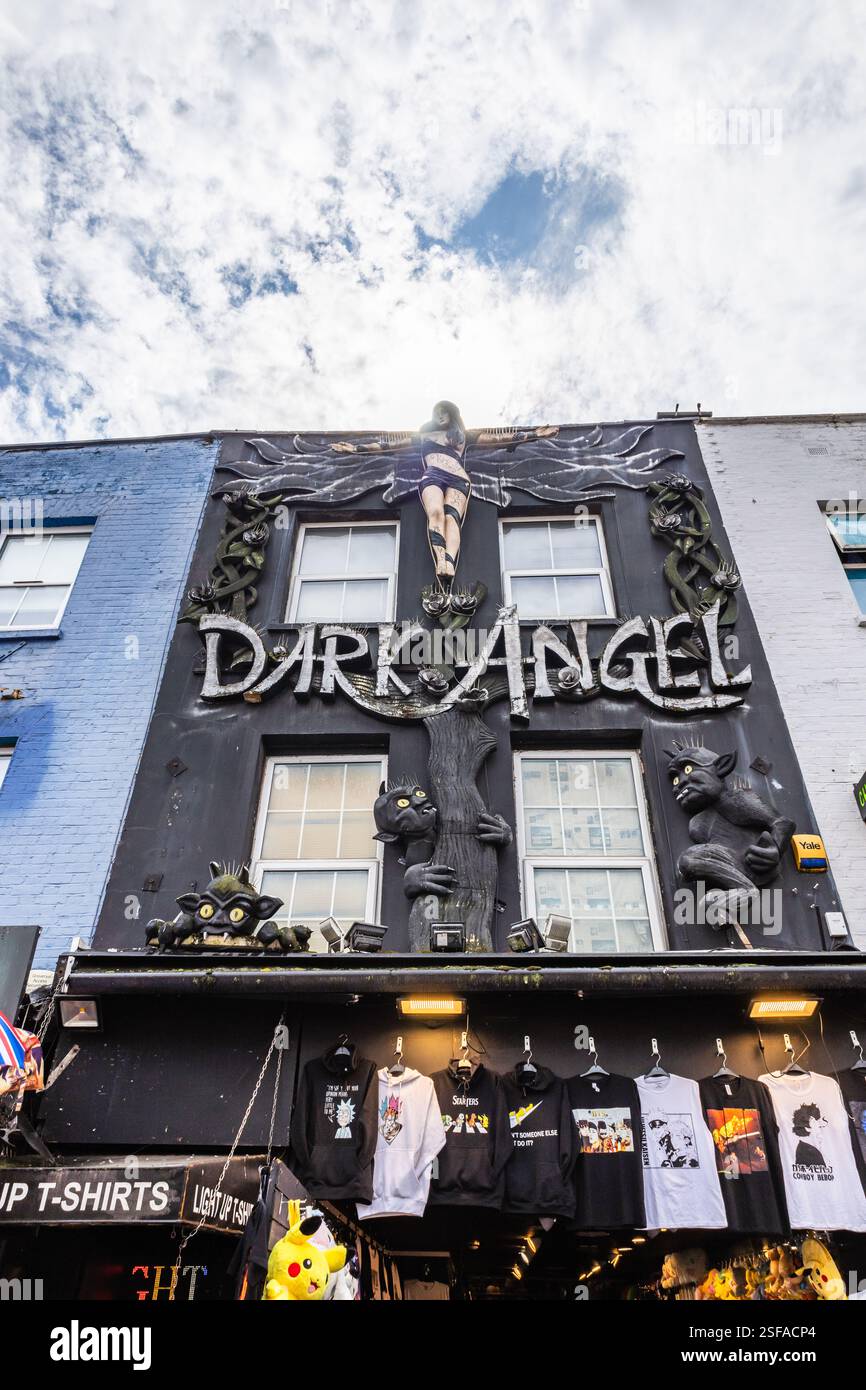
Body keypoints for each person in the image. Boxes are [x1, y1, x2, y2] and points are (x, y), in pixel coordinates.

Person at [333, 402, 558, 589]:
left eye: (445, 411)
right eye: (437, 412)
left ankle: (449, 561)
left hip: (458, 478)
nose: (441, 416)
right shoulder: (423, 436)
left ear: (452, 415)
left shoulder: (462, 437)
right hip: (432, 476)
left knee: (453, 519)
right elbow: (388, 445)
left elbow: (499, 439)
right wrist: (356, 449)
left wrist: (533, 435)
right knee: (436, 513)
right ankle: (441, 559)